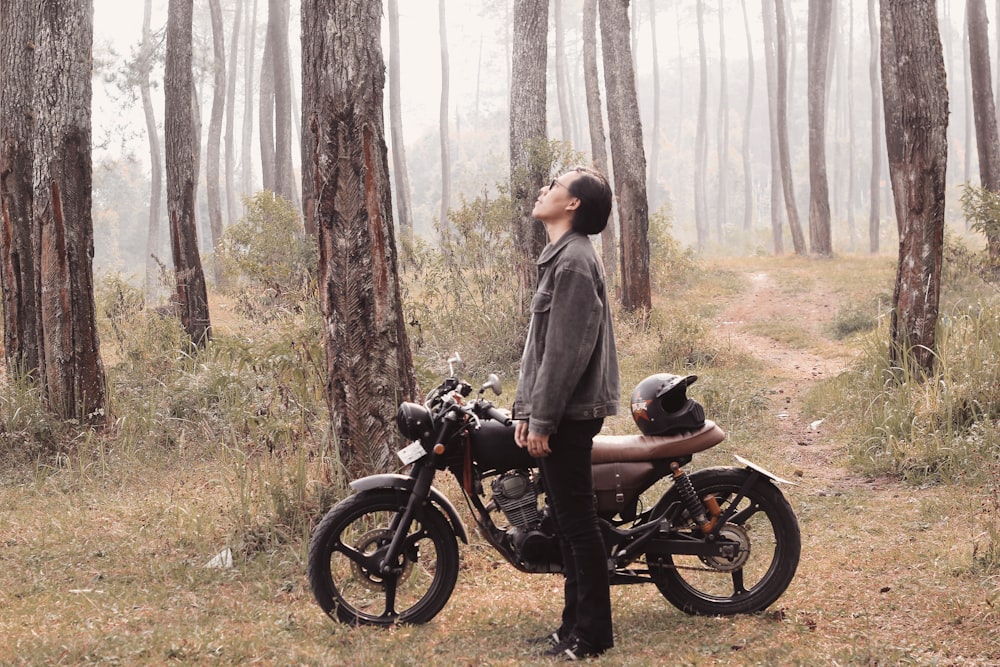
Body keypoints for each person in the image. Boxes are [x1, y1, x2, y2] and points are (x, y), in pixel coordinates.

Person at [512, 166, 620, 661]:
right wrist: (524, 409)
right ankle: (570, 628)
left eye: (554, 186)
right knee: (567, 521)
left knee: (577, 525)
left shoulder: (574, 262)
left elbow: (565, 354)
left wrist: (543, 420)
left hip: (570, 414)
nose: (543, 191)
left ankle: (593, 636)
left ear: (572, 204)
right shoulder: (562, 258)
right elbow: (538, 350)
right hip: (559, 411)